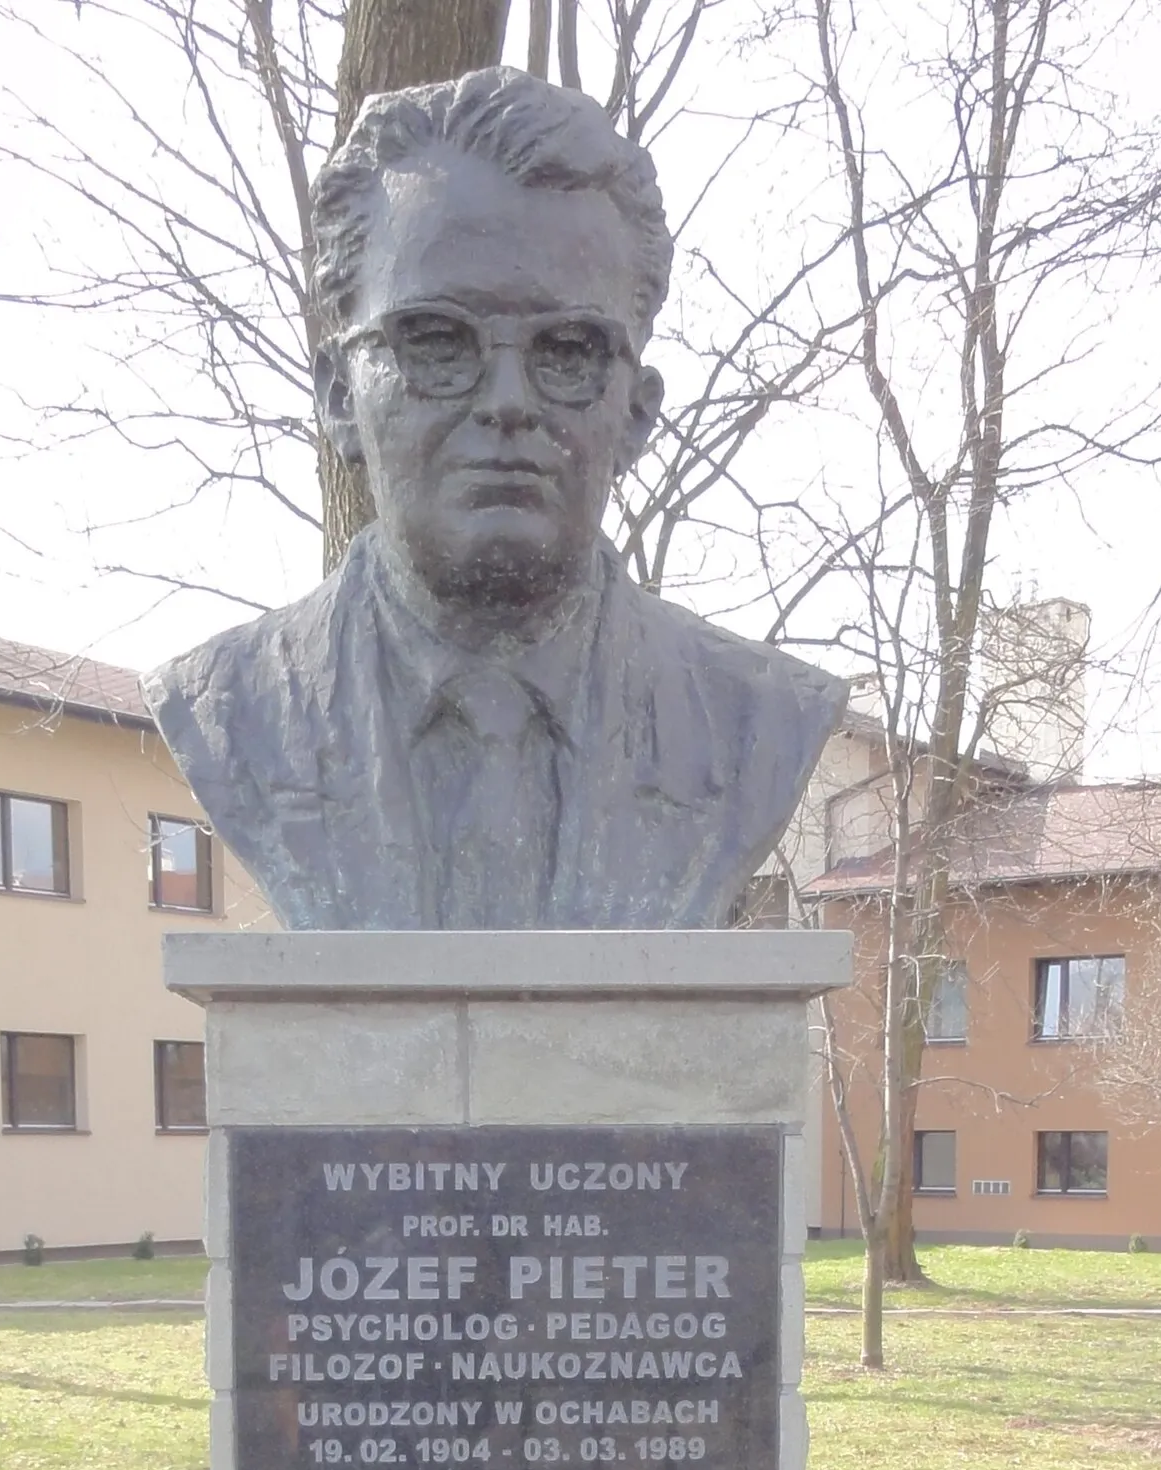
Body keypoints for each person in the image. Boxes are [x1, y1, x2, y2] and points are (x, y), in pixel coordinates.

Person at [146, 67, 843, 932]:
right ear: (337, 396)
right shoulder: (232, 711)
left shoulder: (754, 723)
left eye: (568, 350)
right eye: (437, 340)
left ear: (635, 412)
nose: (508, 400)